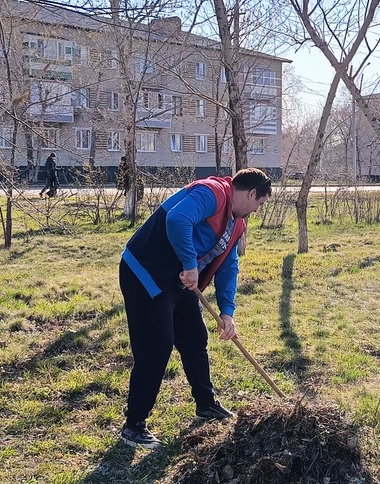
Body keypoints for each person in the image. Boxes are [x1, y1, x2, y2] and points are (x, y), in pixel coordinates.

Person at [117, 167, 273, 447]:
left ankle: (206, 404)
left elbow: (228, 265)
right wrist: (190, 265)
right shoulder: (212, 192)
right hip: (145, 272)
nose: (257, 209)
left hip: (180, 281)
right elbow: (178, 219)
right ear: (251, 193)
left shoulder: (237, 224)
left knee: (194, 339)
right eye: (260, 203)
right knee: (157, 346)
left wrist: (227, 311)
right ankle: (134, 424)